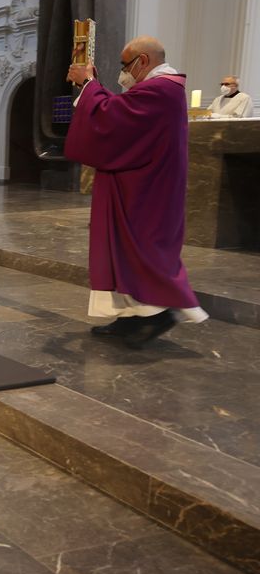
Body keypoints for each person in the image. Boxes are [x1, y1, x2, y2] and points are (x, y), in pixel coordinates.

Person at [65, 36, 207, 348]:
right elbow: (120, 114)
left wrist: (89, 83)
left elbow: (112, 118)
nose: (123, 74)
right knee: (122, 249)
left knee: (139, 249)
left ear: (143, 61)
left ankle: (157, 315)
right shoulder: (156, 89)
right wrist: (92, 87)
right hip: (138, 184)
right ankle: (130, 316)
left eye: (125, 65)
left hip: (146, 191)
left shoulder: (162, 89)